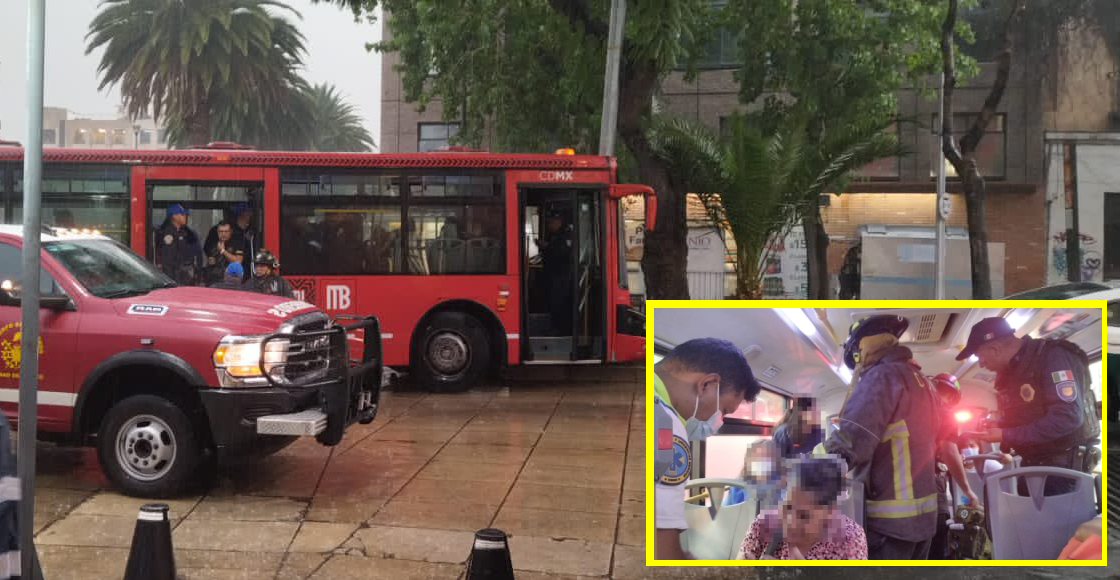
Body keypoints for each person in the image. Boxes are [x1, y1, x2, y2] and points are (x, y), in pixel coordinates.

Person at [822, 314, 944, 560]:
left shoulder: (882, 377)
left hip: (890, 525)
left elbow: (849, 442)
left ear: (861, 351)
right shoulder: (925, 383)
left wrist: (807, 468)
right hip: (925, 521)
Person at [957, 316, 1101, 496]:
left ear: (995, 348)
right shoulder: (1016, 371)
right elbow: (1029, 415)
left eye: (979, 357)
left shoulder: (1054, 356)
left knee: (1056, 524)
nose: (981, 364)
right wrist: (1000, 425)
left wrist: (1005, 434)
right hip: (1035, 466)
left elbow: (1067, 418)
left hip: (1063, 471)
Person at [653, 338, 760, 560]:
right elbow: (663, 555)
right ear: (707, 384)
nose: (718, 422)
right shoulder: (668, 429)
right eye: (724, 410)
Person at [737, 457, 867, 560]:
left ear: (830, 512)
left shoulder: (850, 539)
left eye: (804, 515)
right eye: (787, 507)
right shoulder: (764, 525)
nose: (790, 522)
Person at [928, 372, 980, 560]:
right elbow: (949, 450)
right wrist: (967, 490)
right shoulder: (945, 412)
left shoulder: (913, 408)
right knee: (938, 532)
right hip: (932, 483)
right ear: (952, 396)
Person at [538, 209, 574, 336]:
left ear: (558, 221)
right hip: (553, 275)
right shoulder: (554, 235)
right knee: (552, 303)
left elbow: (563, 253)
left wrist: (547, 247)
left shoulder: (565, 234)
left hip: (562, 276)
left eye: (551, 222)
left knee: (558, 303)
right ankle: (554, 327)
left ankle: (559, 330)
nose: (549, 225)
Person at [722, 439, 785, 510]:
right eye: (757, 457)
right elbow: (724, 509)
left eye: (766, 458)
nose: (761, 462)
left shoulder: (782, 486)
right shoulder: (737, 485)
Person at [154, 204, 202, 285]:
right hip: (176, 279)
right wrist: (171, 283)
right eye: (183, 214)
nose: (185, 216)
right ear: (174, 216)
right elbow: (168, 262)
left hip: (185, 276)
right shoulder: (168, 234)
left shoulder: (184, 232)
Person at [202, 221, 245, 285]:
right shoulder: (212, 242)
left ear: (231, 232)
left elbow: (238, 261)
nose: (223, 234)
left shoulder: (237, 242)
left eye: (226, 231)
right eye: (221, 231)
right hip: (212, 280)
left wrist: (223, 251)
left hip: (230, 281)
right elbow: (208, 255)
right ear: (217, 232)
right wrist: (210, 260)